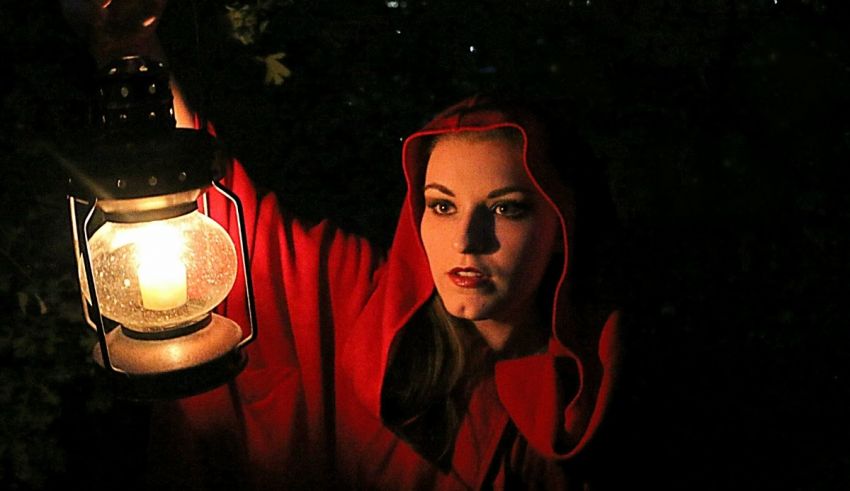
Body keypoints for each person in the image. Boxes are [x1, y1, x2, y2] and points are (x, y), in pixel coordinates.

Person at [61, 2, 622, 489]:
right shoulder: (363, 306)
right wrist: (127, 44)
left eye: (506, 208)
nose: (468, 242)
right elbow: (236, 211)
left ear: (561, 226)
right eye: (442, 205)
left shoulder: (595, 392)